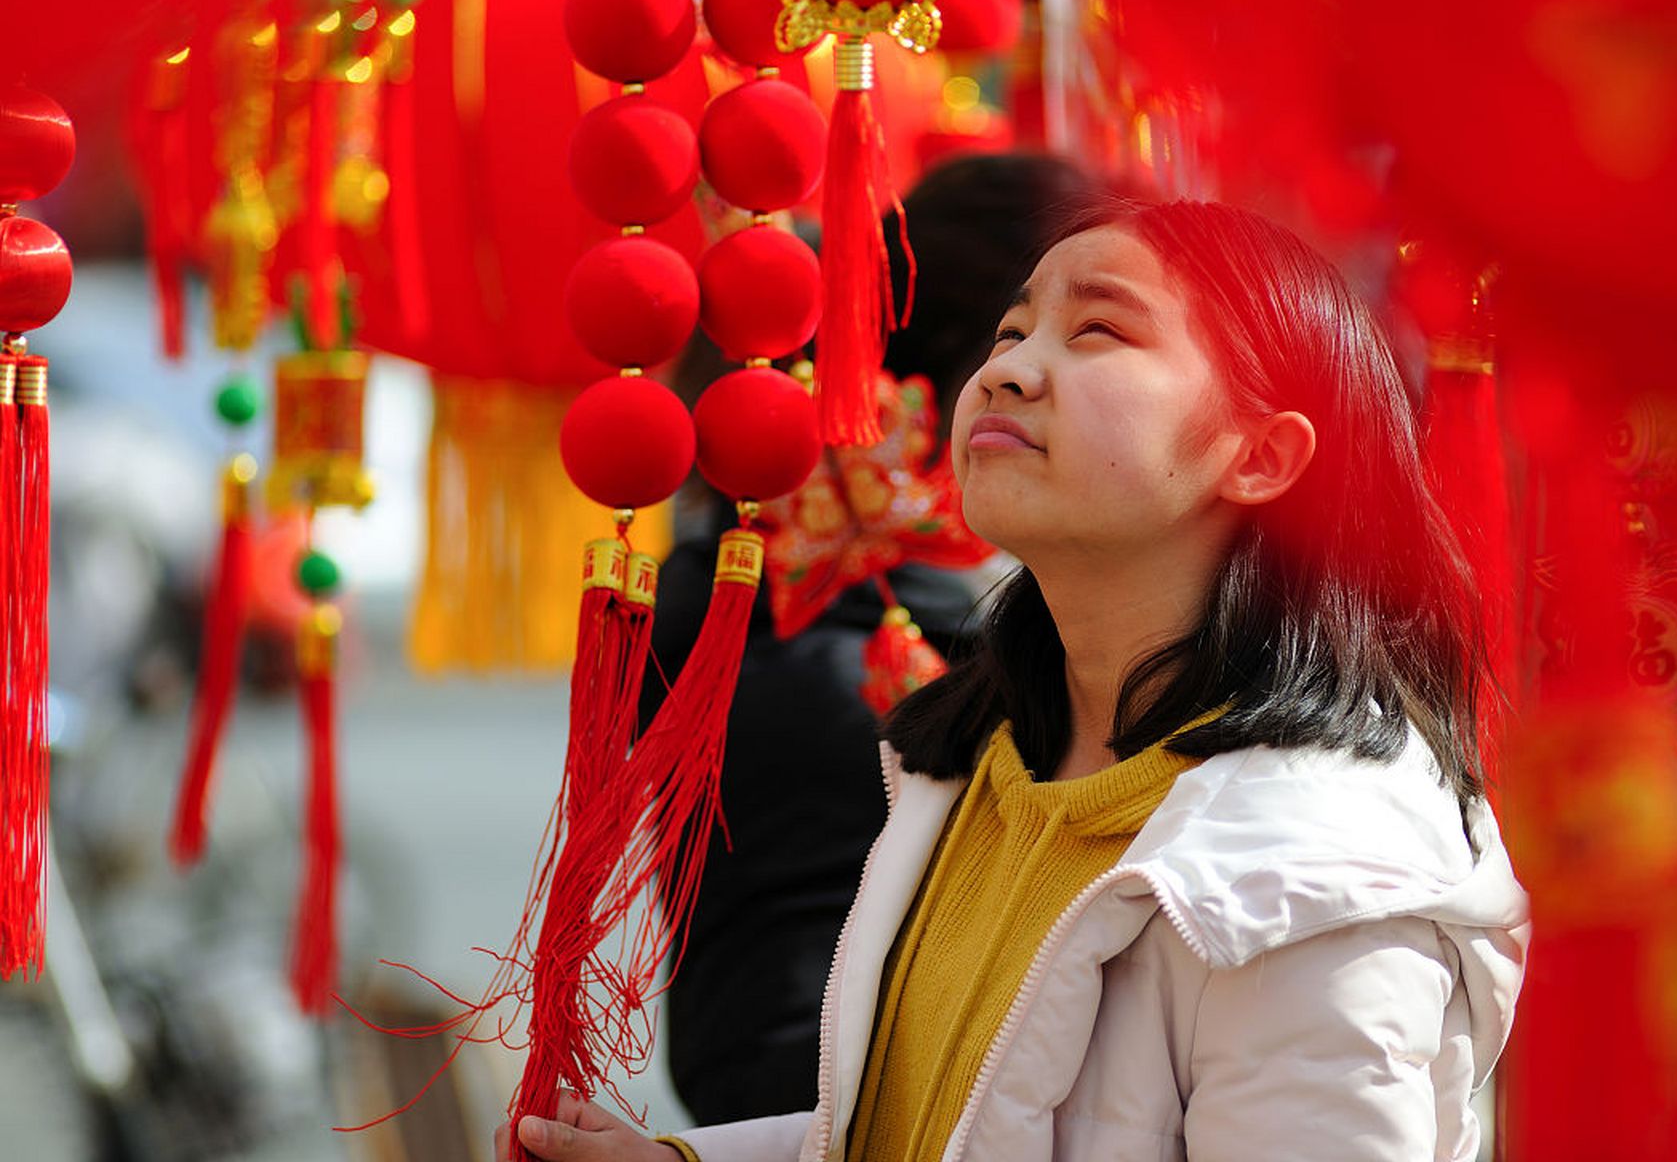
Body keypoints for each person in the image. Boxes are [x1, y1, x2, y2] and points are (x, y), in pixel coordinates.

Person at [498, 197, 1531, 1162]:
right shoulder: (976, 757)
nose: (1011, 372)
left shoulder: (1314, 881)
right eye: (1011, 332)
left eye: (1099, 334)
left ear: (1258, 454)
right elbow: (928, 1124)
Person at [642, 153, 1098, 1126]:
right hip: (831, 1099)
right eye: (1075, 336)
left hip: (766, 1087)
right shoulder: (862, 623)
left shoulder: (735, 574)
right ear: (985, 367)